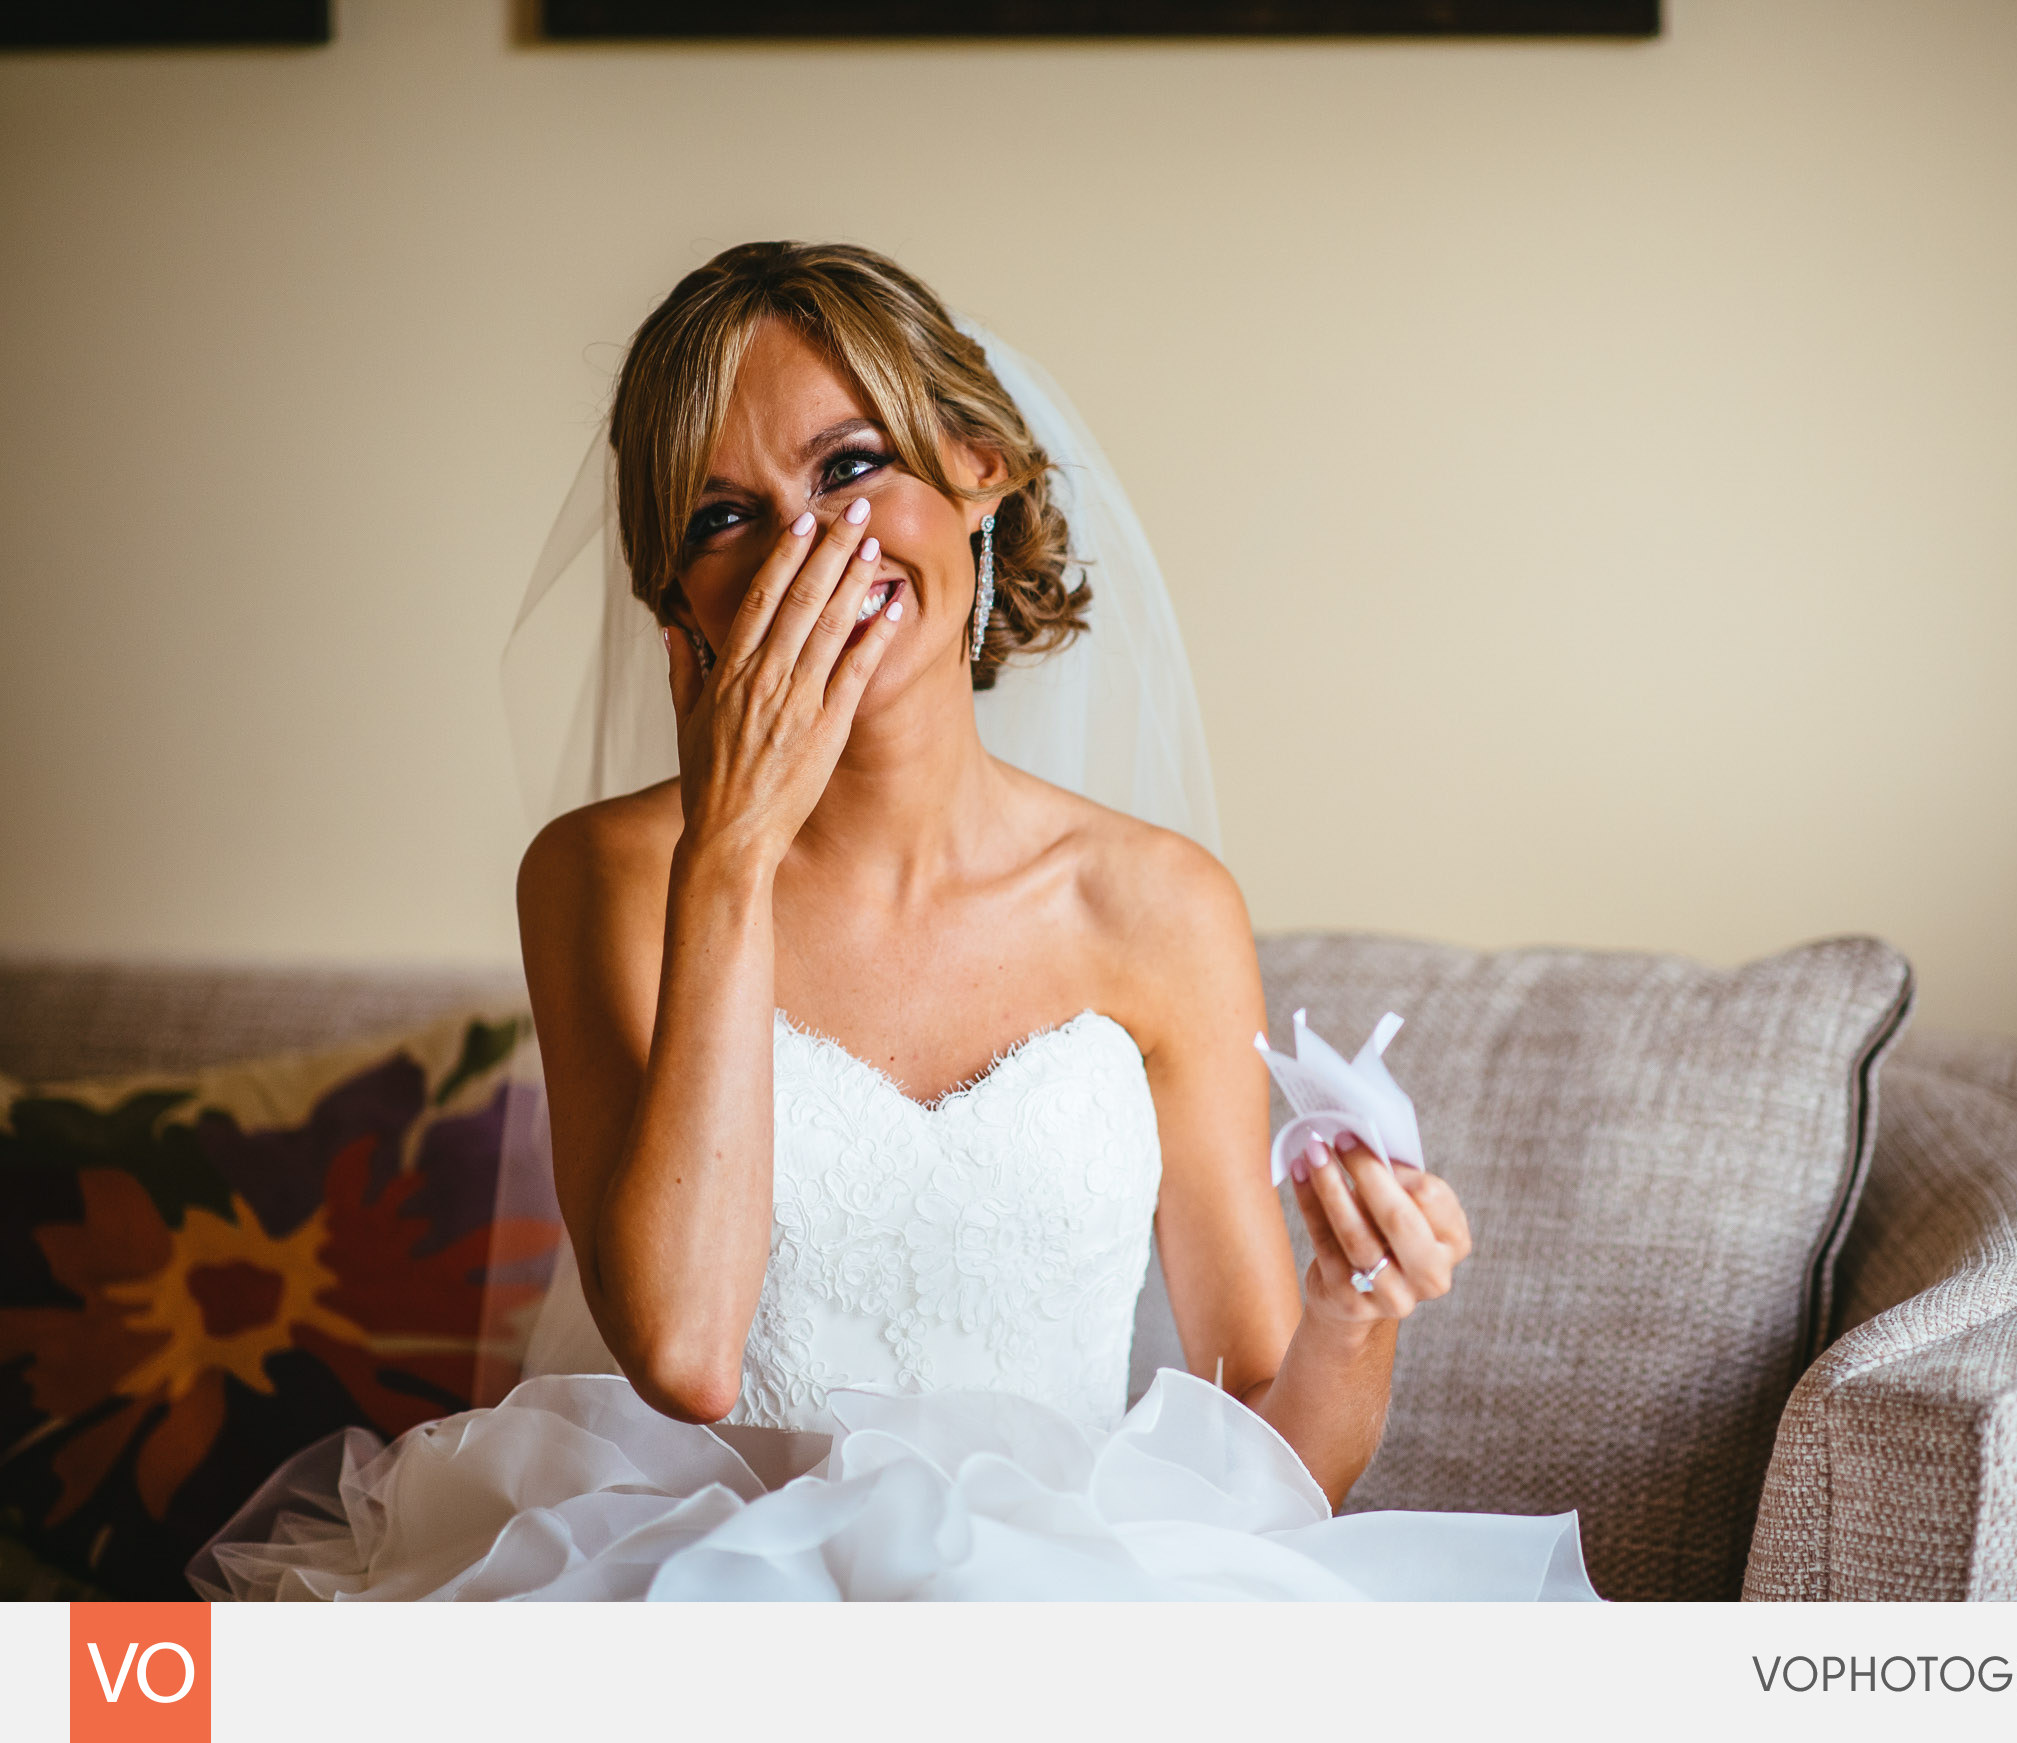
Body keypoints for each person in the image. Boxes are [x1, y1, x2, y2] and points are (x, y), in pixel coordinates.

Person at [192, 242, 1597, 1600]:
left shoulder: (1155, 905)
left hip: (1063, 1602)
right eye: (722, 515)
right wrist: (729, 855)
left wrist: (1355, 1308)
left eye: (851, 467)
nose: (806, 542)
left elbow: (1275, 1481)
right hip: (684, 1589)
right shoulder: (604, 879)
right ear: (677, 604)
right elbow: (685, 1355)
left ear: (977, 472)